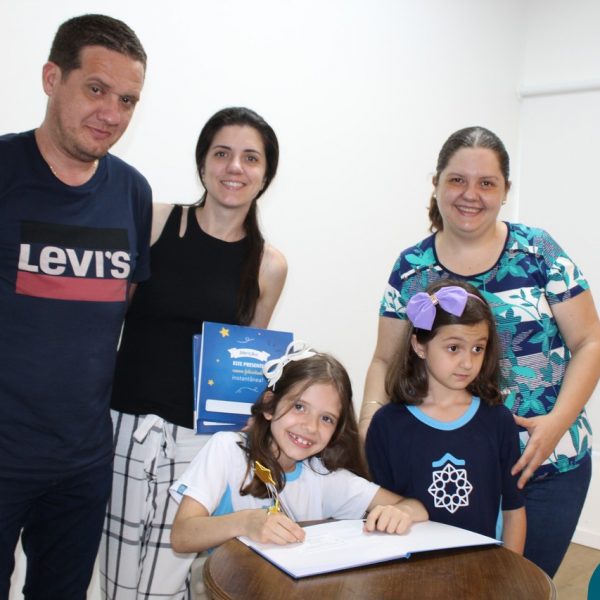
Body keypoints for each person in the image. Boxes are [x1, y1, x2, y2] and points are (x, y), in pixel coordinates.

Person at [359, 125, 600, 576]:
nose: (471, 194)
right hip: (445, 470)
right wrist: (369, 420)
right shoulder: (411, 269)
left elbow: (590, 342)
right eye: (457, 180)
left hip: (548, 466)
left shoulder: (538, 251)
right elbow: (385, 359)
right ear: (436, 184)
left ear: (505, 190)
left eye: (487, 183)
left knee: (523, 585)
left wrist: (555, 425)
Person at [100, 107, 288, 599]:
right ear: (203, 163)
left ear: (266, 173)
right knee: (118, 579)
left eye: (251, 158)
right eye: (222, 153)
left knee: (174, 584)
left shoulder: (269, 265)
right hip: (125, 428)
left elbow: (248, 364)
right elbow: (111, 318)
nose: (234, 167)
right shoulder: (157, 222)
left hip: (200, 443)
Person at [0, 14, 151, 600]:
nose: (110, 113)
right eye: (95, 89)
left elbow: (118, 310)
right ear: (51, 78)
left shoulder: (131, 192)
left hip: (83, 463)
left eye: (127, 100)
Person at [170, 345, 428, 557]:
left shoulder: (324, 476)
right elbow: (182, 535)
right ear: (269, 406)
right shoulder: (228, 449)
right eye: (299, 407)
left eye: (326, 418)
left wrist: (400, 513)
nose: (310, 427)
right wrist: (245, 522)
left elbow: (415, 507)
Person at [365, 280, 526, 552]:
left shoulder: (498, 420)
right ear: (420, 346)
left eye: (478, 348)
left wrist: (512, 571)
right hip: (414, 568)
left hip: (484, 568)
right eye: (454, 348)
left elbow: (513, 511)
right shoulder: (387, 425)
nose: (468, 362)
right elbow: (383, 513)